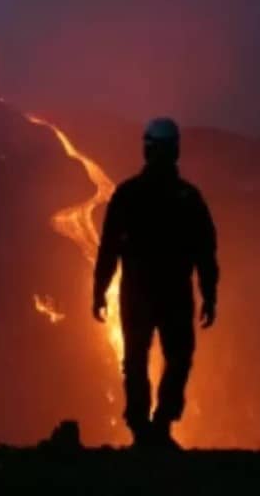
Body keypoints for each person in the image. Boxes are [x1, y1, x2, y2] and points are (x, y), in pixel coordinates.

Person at [92, 117, 219, 449]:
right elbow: (205, 249)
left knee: (137, 357)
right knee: (176, 355)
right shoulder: (188, 198)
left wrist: (100, 291)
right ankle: (158, 425)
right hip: (173, 293)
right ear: (174, 150)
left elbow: (108, 248)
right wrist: (209, 293)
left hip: (139, 294)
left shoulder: (128, 195)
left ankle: (144, 427)